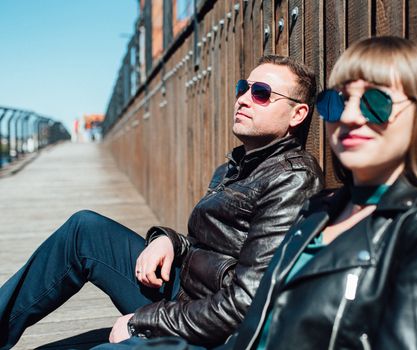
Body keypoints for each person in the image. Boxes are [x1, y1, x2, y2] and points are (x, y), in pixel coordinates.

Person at [140, 36, 417, 350]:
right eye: (338, 102)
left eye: (375, 103)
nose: (349, 116)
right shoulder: (321, 210)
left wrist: (148, 323)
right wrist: (171, 242)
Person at [0, 55, 324, 349]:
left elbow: (247, 303)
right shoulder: (236, 165)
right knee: (84, 229)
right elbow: (210, 245)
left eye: (261, 93)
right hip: (182, 290)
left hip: (211, 326)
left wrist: (142, 321)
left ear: (297, 113)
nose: (242, 99)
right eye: (244, 88)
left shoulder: (292, 179)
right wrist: (169, 241)